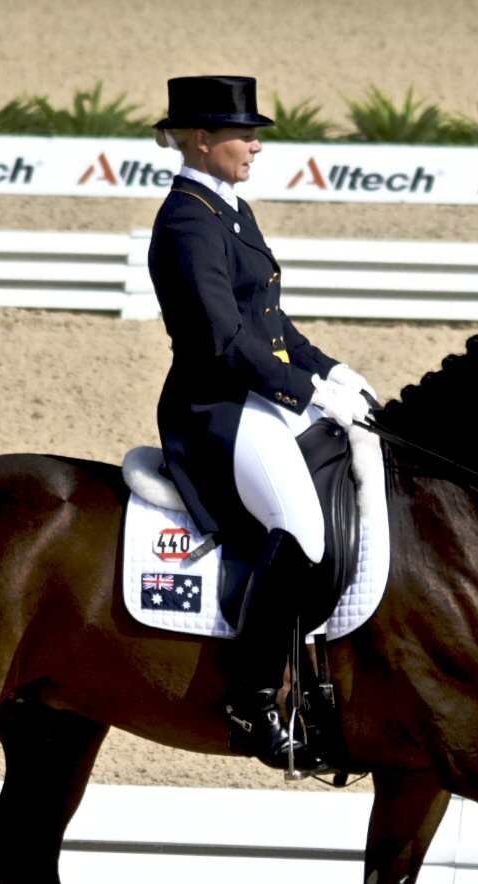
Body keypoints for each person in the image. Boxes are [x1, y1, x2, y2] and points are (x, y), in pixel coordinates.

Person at [148, 74, 377, 770]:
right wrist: (305, 389)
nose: (255, 145)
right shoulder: (188, 219)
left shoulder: (231, 210)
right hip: (214, 408)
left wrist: (332, 371)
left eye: (256, 134)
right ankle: (250, 697)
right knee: (302, 531)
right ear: (201, 139)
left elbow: (269, 324)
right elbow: (223, 339)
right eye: (245, 134)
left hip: (256, 395)